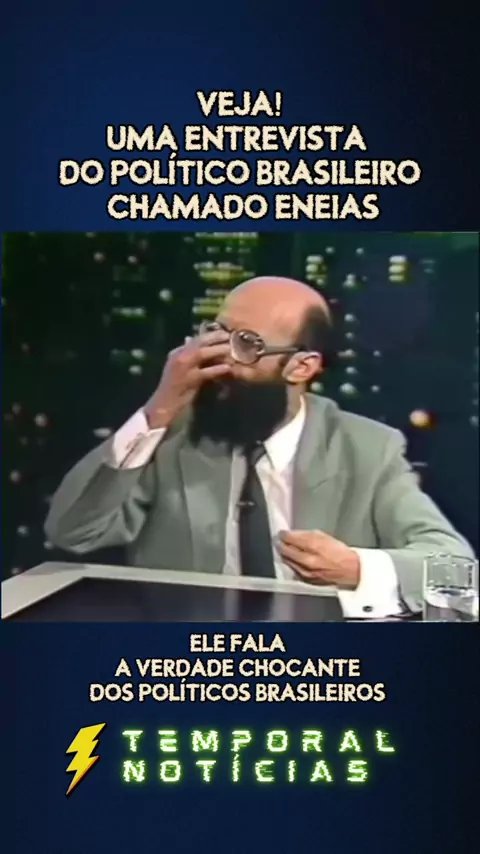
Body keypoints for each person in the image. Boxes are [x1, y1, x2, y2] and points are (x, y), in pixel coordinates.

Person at [45, 276, 474, 618]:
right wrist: (158, 410)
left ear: (301, 366)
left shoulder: (367, 449)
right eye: (215, 332)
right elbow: (74, 533)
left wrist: (356, 568)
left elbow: (457, 572)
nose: (218, 355)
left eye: (246, 344)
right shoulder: (169, 435)